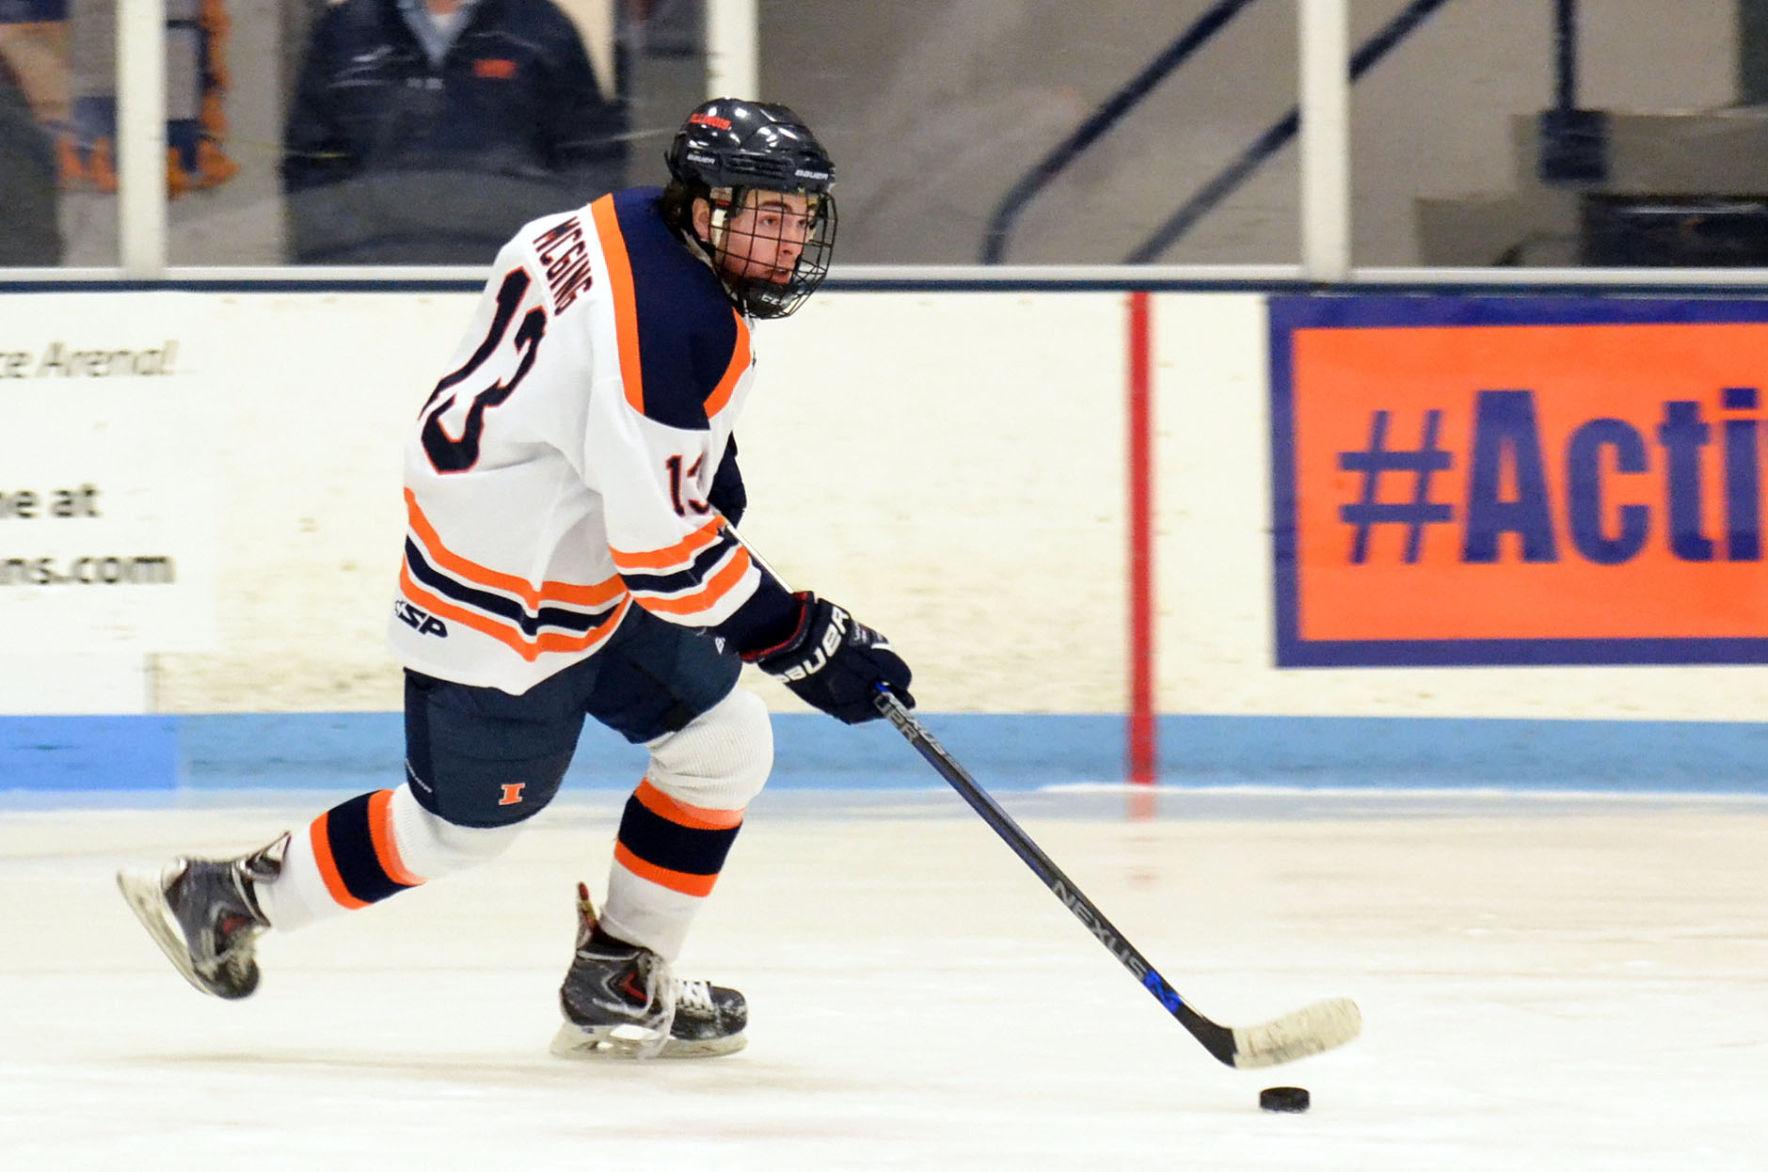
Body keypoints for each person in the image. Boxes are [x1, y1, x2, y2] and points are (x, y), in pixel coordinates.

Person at [120, 98, 915, 1059]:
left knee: (722, 742)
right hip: (504, 596)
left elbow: (602, 397)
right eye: (766, 214)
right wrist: (798, 637)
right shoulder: (679, 323)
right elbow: (664, 550)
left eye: (800, 218)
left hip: (576, 549)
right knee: (461, 832)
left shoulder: (615, 218)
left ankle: (622, 971)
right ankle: (225, 898)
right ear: (703, 207)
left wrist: (696, 459)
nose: (788, 242)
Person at [282, 0, 628, 263]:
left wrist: (541, 266)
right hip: (371, 285)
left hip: (513, 288)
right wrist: (349, 266)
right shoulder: (344, 33)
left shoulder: (542, 30)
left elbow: (591, 163)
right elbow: (310, 166)